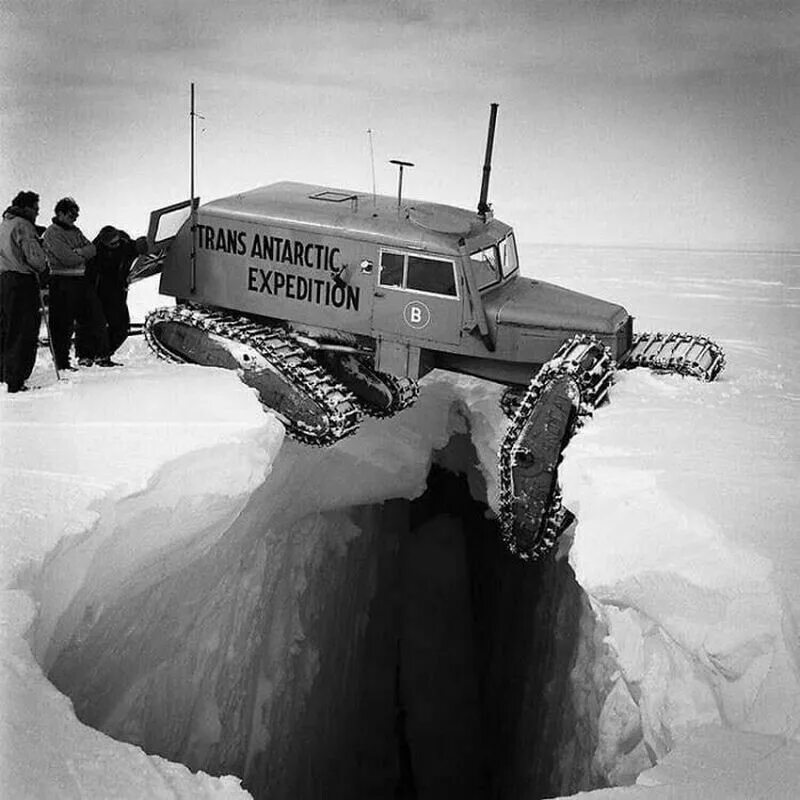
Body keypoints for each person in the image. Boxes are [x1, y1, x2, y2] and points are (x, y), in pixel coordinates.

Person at [42, 197, 103, 370]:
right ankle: (62, 361)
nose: (74, 217)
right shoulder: (52, 233)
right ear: (60, 213)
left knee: (87, 318)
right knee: (62, 323)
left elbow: (92, 248)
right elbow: (67, 258)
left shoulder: (75, 231)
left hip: (79, 280)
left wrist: (79, 252)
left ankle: (84, 354)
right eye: (71, 214)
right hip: (61, 281)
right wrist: (81, 254)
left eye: (76, 214)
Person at [77, 226, 148, 364]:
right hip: (98, 291)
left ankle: (103, 353)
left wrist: (143, 244)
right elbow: (88, 275)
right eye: (112, 244)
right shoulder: (95, 252)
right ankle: (87, 355)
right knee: (93, 324)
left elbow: (137, 247)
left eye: (117, 242)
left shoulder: (125, 244)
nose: (116, 245)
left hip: (117, 290)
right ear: (104, 244)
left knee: (121, 326)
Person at [0, 191, 48, 393]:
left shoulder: (5, 224)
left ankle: (4, 375)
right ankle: (16, 379)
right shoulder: (24, 225)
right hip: (21, 282)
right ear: (27, 207)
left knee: (6, 328)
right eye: (35, 208)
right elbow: (35, 260)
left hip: (3, 280)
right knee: (24, 330)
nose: (37, 213)